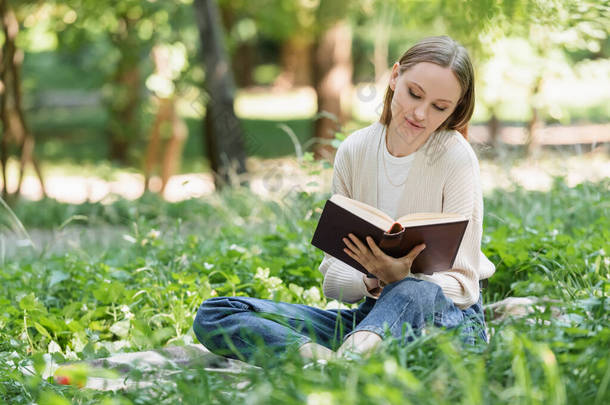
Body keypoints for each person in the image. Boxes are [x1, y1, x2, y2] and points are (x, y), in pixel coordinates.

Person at [193, 35, 495, 365]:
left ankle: (347, 362)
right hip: (372, 320)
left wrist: (400, 278)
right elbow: (333, 278)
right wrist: (373, 277)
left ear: (454, 109)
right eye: (414, 94)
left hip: (445, 322)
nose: (421, 114)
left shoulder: (455, 157)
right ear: (395, 76)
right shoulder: (355, 150)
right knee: (217, 313)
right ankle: (330, 362)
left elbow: (464, 285)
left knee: (414, 291)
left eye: (439, 107)